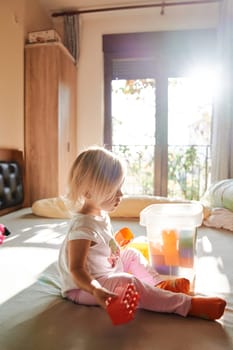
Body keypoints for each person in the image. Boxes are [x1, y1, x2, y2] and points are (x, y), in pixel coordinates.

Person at [58, 146, 226, 321]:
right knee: (128, 282)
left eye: (120, 188)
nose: (121, 195)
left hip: (105, 271)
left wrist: (117, 245)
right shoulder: (82, 227)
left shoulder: (100, 214)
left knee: (131, 254)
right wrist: (96, 290)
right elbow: (76, 269)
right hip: (84, 287)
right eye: (114, 190)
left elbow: (100, 246)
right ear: (88, 193)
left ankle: (160, 287)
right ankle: (186, 305)